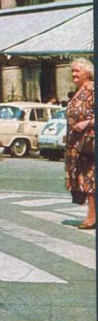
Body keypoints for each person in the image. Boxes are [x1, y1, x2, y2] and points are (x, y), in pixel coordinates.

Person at [65, 58, 95, 230]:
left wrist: (87, 123)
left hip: (89, 143)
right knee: (85, 180)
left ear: (87, 73)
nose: (74, 74)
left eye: (77, 71)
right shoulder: (78, 91)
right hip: (77, 143)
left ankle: (92, 217)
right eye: (72, 71)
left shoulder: (92, 89)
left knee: (90, 180)